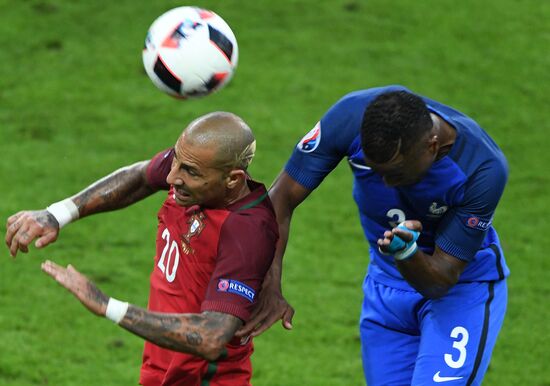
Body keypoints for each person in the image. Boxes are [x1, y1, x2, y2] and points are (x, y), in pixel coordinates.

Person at [237, 86, 509, 385]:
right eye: (375, 170)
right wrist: (270, 282)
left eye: (396, 173)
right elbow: (280, 199)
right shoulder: (351, 116)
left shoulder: (481, 168)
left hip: (461, 293)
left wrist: (406, 253)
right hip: (384, 290)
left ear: (431, 147)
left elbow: (439, 281)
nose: (386, 184)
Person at [5, 112, 279, 386]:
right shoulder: (194, 170)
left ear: (232, 179)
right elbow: (140, 177)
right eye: (175, 161)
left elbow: (212, 336)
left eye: (189, 171)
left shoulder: (247, 231)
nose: (172, 177)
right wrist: (57, 214)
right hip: (161, 370)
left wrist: (106, 305)